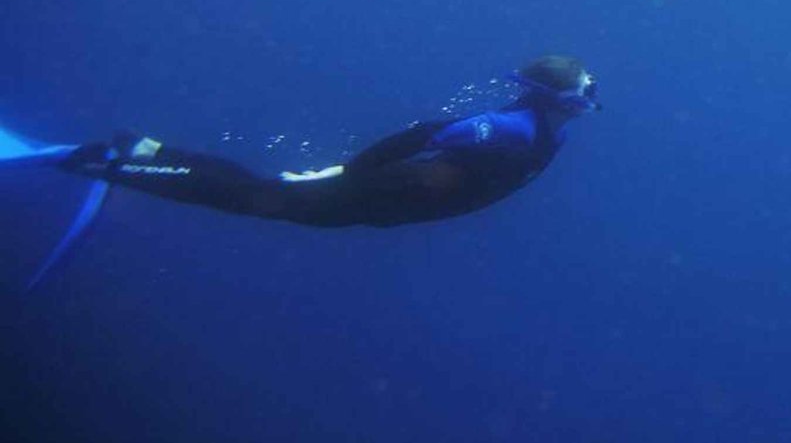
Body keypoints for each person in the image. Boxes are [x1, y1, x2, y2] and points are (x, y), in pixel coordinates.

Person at [1, 55, 600, 288]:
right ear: (553, 97)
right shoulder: (512, 129)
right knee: (254, 200)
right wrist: (351, 172)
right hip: (384, 192)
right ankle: (104, 164)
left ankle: (147, 151)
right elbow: (425, 134)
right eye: (580, 90)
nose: (587, 96)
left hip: (386, 204)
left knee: (263, 190)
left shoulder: (548, 130)